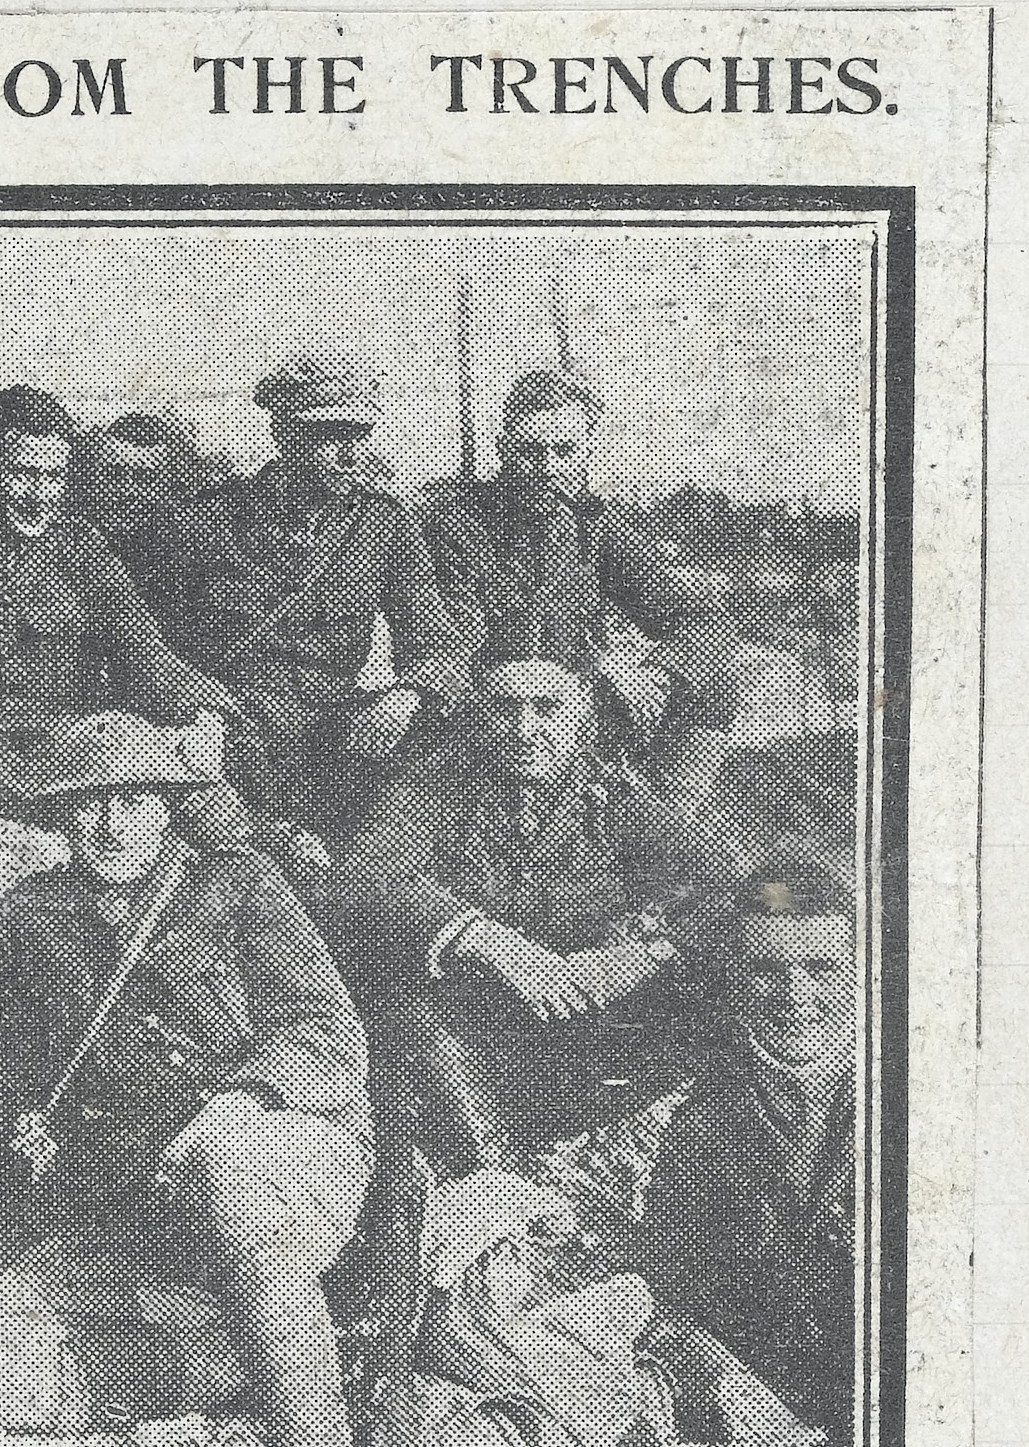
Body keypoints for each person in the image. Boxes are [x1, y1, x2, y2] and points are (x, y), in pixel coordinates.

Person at [0, 714, 374, 1447]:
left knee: (233, 1183)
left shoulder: (239, 885)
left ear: (168, 807)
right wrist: (18, 1120)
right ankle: (235, 1359)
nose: (116, 824)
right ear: (62, 813)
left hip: (290, 1142)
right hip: (137, 1189)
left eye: (138, 800)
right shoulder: (28, 917)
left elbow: (329, 1034)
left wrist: (242, 1101)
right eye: (93, 803)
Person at [332, 640, 739, 1176]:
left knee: (717, 997)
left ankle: (637, 1154)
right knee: (402, 1019)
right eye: (504, 706)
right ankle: (486, 1179)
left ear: (583, 712)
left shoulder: (615, 797)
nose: (524, 730)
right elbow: (358, 881)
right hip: (477, 1028)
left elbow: (729, 888)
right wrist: (486, 941)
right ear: (479, 707)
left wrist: (637, 957)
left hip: (589, 1032)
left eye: (547, 709)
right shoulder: (436, 780)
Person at [0, 388, 230, 842]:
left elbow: (137, 647)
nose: (40, 495)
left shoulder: (82, 550)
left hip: (67, 768)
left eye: (53, 477)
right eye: (22, 473)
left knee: (207, 826)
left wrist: (197, 713)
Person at [155, 357, 468, 855]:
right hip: (229, 742)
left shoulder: (384, 527)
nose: (352, 453)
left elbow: (440, 647)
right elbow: (151, 645)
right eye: (332, 434)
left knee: (391, 831)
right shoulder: (209, 521)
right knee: (226, 851)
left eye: (361, 433)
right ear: (284, 434)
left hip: (335, 742)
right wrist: (199, 708)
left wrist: (406, 694)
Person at [633, 857, 860, 1447]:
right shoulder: (699, 1126)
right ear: (737, 979)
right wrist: (719, 1378)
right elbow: (656, 1298)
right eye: (767, 971)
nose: (795, 997)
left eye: (821, 969)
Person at [423, 367, 678, 759]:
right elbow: (450, 646)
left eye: (565, 451)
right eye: (529, 452)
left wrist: (645, 671)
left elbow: (695, 617)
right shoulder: (458, 525)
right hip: (481, 719)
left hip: (577, 721)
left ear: (588, 451)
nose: (547, 468)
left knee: (708, 693)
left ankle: (676, 811)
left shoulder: (598, 528)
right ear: (502, 449)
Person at [79, 411, 189, 604]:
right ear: (96, 477)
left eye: (144, 478)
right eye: (115, 475)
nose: (129, 490)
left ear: (165, 484)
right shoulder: (74, 546)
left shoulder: (184, 553)